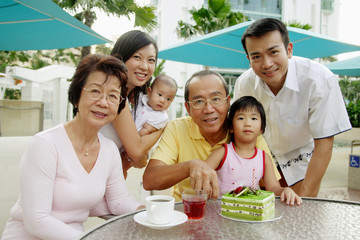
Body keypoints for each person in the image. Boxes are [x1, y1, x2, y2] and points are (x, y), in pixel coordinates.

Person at [1, 55, 143, 240]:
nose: (103, 102)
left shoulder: (109, 150)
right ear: (76, 97)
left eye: (113, 96)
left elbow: (119, 202)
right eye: (95, 91)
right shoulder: (45, 145)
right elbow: (37, 221)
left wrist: (149, 211)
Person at [234, 18, 352, 197]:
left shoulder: (319, 79)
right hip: (259, 163)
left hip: (302, 162)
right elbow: (240, 134)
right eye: (256, 56)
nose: (266, 64)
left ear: (289, 50)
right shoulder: (244, 83)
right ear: (248, 58)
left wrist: (306, 197)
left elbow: (324, 144)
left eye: (273, 52)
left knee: (300, 215)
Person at [143, 70, 280, 201]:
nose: (208, 109)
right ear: (187, 108)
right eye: (198, 102)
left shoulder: (246, 132)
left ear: (228, 102)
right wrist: (190, 166)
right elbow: (149, 180)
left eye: (216, 99)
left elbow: (269, 186)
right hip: (187, 213)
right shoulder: (177, 128)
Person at [206, 96, 302, 205]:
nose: (247, 123)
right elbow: (201, 174)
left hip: (251, 214)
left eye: (254, 118)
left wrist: (285, 190)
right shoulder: (222, 153)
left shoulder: (264, 158)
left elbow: (273, 188)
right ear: (231, 127)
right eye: (241, 118)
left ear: (261, 128)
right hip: (221, 213)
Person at [100, 30, 163, 178]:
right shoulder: (113, 93)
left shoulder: (135, 101)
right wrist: (162, 126)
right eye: (137, 57)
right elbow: (136, 150)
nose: (144, 66)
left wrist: (138, 152)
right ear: (121, 57)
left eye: (151, 60)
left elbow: (141, 161)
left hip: (108, 179)